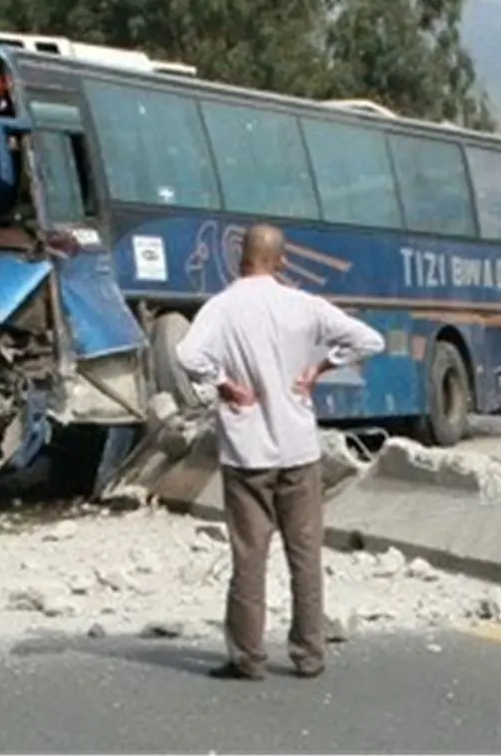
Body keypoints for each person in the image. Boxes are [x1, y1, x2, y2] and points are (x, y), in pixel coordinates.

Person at [175, 224, 385, 681]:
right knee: (305, 554)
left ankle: (247, 657)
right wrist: (319, 367)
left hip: (247, 452)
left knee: (249, 557)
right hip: (298, 448)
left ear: (240, 259)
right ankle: (309, 654)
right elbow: (369, 340)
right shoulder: (305, 305)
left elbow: (188, 354)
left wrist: (226, 386)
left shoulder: (222, 307)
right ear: (283, 260)